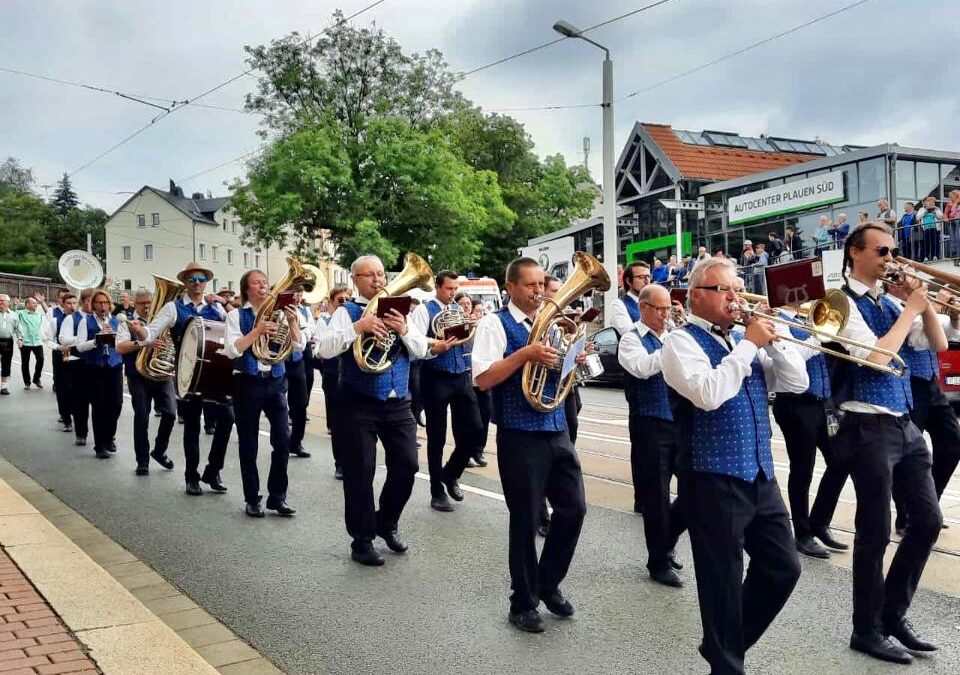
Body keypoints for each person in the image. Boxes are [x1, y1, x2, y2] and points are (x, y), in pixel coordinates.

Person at [661, 257, 807, 675]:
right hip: (711, 478)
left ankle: (725, 643)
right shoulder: (680, 342)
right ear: (696, 296)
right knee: (721, 582)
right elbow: (708, 393)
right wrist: (748, 345)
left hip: (760, 475)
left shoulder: (746, 339)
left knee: (783, 568)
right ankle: (727, 663)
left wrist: (773, 341)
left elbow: (798, 382)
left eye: (738, 290)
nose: (735, 298)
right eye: (724, 290)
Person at [823, 224, 945, 664]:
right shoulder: (837, 302)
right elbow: (876, 358)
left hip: (903, 424)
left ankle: (891, 613)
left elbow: (939, 342)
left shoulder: (891, 301)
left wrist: (923, 304)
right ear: (855, 253)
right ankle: (865, 629)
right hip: (865, 423)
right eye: (882, 250)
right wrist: (910, 309)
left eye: (893, 250)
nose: (890, 258)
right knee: (874, 531)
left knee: (928, 521)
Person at [472, 257, 587, 634]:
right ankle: (522, 602)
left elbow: (560, 375)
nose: (539, 292)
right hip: (520, 435)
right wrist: (525, 354)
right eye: (530, 286)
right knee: (525, 519)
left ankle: (547, 582)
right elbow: (484, 379)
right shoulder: (495, 324)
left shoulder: (552, 325)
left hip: (556, 429)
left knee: (574, 509)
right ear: (511, 288)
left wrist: (573, 359)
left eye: (541, 285)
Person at [314, 255, 432, 566]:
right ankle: (362, 539)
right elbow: (323, 349)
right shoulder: (346, 312)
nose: (378, 280)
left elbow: (423, 351)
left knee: (407, 466)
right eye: (370, 275)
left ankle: (386, 522)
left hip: (397, 402)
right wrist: (359, 326)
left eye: (381, 274)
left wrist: (403, 329)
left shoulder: (402, 310)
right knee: (360, 472)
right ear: (356, 280)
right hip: (358, 402)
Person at [134, 262, 233, 495]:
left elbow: (233, 331)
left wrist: (223, 304)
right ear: (185, 283)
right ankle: (192, 477)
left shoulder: (216, 310)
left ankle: (213, 470)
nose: (197, 283)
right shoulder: (173, 308)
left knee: (228, 419)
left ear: (206, 282)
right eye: (192, 279)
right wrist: (141, 332)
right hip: (188, 375)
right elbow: (152, 330)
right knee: (192, 427)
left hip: (215, 375)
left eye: (201, 279)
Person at [618, 284, 686, 587]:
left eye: (668, 308)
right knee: (656, 497)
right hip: (649, 424)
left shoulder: (673, 334)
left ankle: (666, 541)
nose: (665, 314)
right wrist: (673, 349)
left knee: (694, 490)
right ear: (644, 308)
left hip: (679, 421)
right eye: (659, 309)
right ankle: (658, 560)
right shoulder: (631, 340)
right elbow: (642, 368)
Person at [770, 304, 848, 560]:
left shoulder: (813, 316)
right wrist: (818, 333)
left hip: (823, 402)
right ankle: (802, 534)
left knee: (840, 461)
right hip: (795, 403)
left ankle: (819, 524)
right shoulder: (777, 321)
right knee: (803, 468)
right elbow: (793, 357)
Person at [222, 270, 299, 518]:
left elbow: (297, 346)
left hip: (275, 380)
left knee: (283, 440)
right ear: (247, 289)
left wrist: (293, 322)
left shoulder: (280, 314)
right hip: (248, 382)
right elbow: (233, 350)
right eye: (258, 283)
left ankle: (277, 497)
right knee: (249, 442)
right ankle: (252, 498)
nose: (264, 286)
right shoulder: (236, 315)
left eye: (266, 282)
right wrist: (257, 332)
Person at [411, 270, 480, 512]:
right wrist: (435, 345)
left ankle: (450, 473)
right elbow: (416, 342)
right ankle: (436, 491)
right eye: (449, 289)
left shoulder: (457, 310)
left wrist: (470, 328)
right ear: (438, 287)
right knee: (437, 438)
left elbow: (467, 342)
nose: (453, 293)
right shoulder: (423, 310)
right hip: (435, 376)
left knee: (474, 430)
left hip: (461, 375)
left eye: (455, 289)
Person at [536, 274, 585, 537]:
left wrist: (577, 354)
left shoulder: (558, 324)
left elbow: (561, 364)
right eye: (556, 292)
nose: (561, 299)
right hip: (540, 403)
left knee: (572, 430)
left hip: (562, 395)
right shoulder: (541, 322)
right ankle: (541, 512)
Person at [115, 289, 176, 475]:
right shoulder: (127, 322)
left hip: (162, 374)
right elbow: (120, 347)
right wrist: (144, 343)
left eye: (150, 302)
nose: (147, 306)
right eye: (142, 303)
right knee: (142, 416)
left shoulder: (161, 321)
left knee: (171, 413)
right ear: (134, 303)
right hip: (138, 375)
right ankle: (142, 461)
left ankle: (159, 450)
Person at [73, 290, 124, 459]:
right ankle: (100, 445)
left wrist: (115, 338)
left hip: (114, 365)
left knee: (116, 404)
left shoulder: (116, 321)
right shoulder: (85, 321)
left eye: (105, 303)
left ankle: (109, 436)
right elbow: (79, 347)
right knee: (99, 406)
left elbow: (123, 343)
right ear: (93, 305)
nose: (103, 306)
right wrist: (96, 340)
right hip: (95, 367)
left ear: (110, 305)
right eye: (99, 303)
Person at [316, 286, 351, 479]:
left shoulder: (353, 316)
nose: (344, 303)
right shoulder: (324, 322)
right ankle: (340, 463)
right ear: (330, 303)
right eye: (340, 300)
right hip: (332, 373)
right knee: (337, 422)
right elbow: (321, 350)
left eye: (348, 299)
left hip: (351, 374)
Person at [59, 289, 94, 445]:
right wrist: (82, 338)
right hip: (78, 362)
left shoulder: (102, 318)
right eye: (91, 301)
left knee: (102, 402)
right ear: (84, 302)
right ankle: (81, 433)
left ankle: (106, 436)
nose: (95, 305)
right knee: (81, 401)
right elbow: (63, 338)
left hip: (98, 363)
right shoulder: (72, 319)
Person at [283, 284, 313, 459]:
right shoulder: (277, 309)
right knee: (276, 402)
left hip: (296, 358)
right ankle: (280, 440)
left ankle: (296, 442)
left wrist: (301, 330)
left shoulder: (305, 311)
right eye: (294, 293)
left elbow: (310, 329)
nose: (298, 297)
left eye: (300, 294)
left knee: (301, 402)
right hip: (277, 360)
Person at [47, 293, 78, 431]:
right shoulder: (55, 320)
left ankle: (75, 413)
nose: (72, 306)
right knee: (63, 387)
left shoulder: (81, 319)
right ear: (63, 305)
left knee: (76, 387)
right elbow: (48, 339)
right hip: (61, 355)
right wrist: (59, 347)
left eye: (74, 303)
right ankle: (66, 418)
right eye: (69, 303)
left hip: (78, 356)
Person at [610, 261, 651, 335]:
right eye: (641, 277)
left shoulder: (653, 302)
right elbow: (626, 332)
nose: (647, 281)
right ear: (628, 281)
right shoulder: (618, 304)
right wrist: (655, 318)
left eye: (648, 276)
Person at [15, 296, 45, 389]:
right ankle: (27, 382)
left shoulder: (39, 314)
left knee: (41, 359)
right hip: (25, 342)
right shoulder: (21, 313)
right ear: (27, 304)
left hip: (37, 341)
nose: (35, 304)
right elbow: (12, 315)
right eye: (33, 302)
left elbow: (49, 315)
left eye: (36, 303)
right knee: (25, 363)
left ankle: (36, 379)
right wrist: (15, 305)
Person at [0, 294, 19, 395]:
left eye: (3, 300)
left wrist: (19, 339)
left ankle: (4, 387)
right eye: (0, 300)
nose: (1, 302)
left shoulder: (14, 315)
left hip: (7, 341)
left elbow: (18, 329)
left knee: (6, 363)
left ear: (8, 302)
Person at [916, 196, 944, 261]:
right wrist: (924, 213)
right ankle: (926, 256)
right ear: (926, 202)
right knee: (926, 243)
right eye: (929, 202)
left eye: (932, 202)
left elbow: (941, 218)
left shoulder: (937, 209)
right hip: (925, 228)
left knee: (935, 242)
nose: (931, 203)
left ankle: (935, 256)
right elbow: (917, 218)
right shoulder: (922, 209)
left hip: (935, 228)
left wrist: (935, 214)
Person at [944, 189, 960, 259]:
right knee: (953, 238)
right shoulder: (949, 203)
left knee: (958, 237)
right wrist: (945, 218)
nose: (950, 197)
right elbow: (945, 214)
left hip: (958, 221)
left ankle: (958, 253)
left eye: (951, 196)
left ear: (956, 195)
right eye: (950, 196)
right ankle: (954, 253)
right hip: (952, 221)